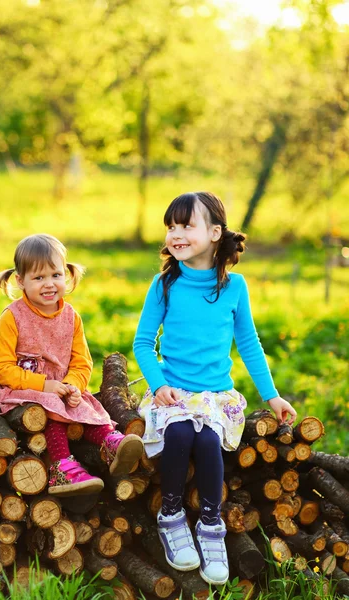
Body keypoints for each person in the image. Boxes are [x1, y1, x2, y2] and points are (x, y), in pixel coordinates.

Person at [133, 191, 296, 586]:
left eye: (186, 225)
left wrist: (271, 395)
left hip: (215, 395)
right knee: (179, 431)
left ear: (214, 232)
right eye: (171, 226)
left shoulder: (234, 287)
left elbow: (250, 344)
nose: (176, 234)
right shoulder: (165, 283)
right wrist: (158, 386)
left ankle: (211, 525)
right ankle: (170, 514)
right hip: (173, 390)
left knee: (207, 441)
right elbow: (142, 342)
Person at [0, 233, 143, 496]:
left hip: (59, 385)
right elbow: (1, 368)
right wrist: (44, 385)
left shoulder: (71, 317)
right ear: (21, 281)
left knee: (84, 403)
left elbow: (81, 362)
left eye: (55, 275)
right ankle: (61, 468)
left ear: (66, 275)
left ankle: (110, 442)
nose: (49, 284)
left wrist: (72, 385)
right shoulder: (12, 317)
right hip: (20, 387)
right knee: (52, 406)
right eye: (38, 278)